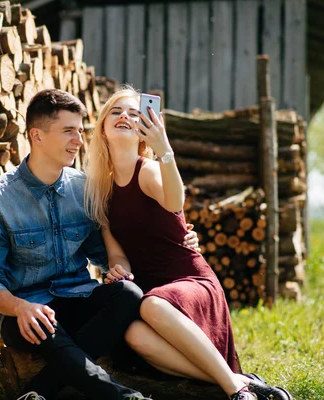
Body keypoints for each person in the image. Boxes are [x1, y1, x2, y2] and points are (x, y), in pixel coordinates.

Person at [0, 89, 198, 400]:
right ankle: (127, 398)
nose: (78, 140)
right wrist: (20, 307)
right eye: (68, 131)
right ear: (36, 136)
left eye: (80, 131)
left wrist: (173, 240)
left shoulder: (84, 189)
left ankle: (39, 391)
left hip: (78, 300)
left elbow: (110, 251)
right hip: (27, 312)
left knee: (128, 293)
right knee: (46, 323)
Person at [84, 87, 293, 400]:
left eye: (132, 112)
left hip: (190, 282)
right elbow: (118, 255)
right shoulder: (101, 193)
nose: (124, 116)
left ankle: (236, 390)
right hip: (153, 296)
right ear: (103, 127)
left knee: (152, 305)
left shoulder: (150, 171)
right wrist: (119, 271)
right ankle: (240, 378)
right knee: (133, 334)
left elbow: (174, 202)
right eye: (115, 112)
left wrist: (163, 147)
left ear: (143, 128)